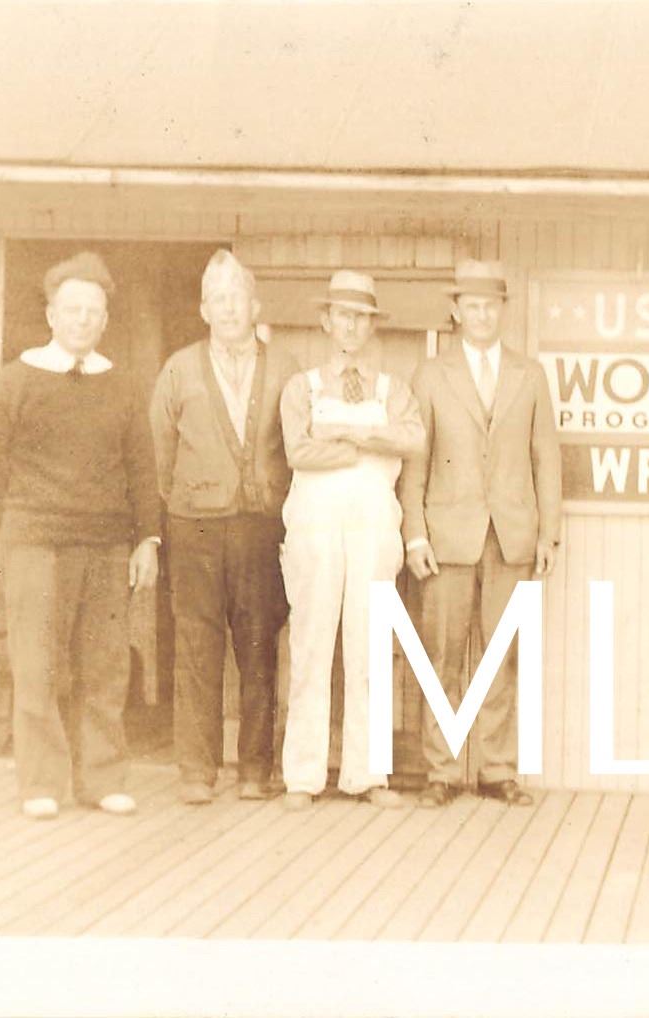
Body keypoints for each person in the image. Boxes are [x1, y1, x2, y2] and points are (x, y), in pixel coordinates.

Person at [0, 251, 160, 819]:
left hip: (107, 547)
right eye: (72, 309)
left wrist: (147, 539)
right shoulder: (15, 382)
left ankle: (103, 778)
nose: (83, 320)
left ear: (105, 319)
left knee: (105, 666)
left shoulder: (121, 385)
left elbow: (142, 470)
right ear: (51, 315)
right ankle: (42, 784)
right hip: (37, 548)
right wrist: (20, 521)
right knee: (38, 665)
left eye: (93, 311)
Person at [399, 259, 562, 808]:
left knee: (501, 655)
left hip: (511, 535)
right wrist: (415, 534)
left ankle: (496, 769)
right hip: (447, 537)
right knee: (441, 656)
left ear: (503, 311)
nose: (482, 315)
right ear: (456, 310)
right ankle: (441, 771)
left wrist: (548, 533)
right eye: (472, 306)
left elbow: (546, 458)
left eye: (491, 306)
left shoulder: (529, 374)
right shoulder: (431, 375)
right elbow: (415, 462)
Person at [149, 250, 297, 804]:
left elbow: (299, 444)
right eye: (217, 299)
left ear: (255, 306)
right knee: (196, 645)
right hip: (196, 529)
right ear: (203, 310)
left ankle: (256, 769)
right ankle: (197, 770)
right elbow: (160, 454)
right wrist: (192, 498)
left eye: (237, 298)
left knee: (258, 646)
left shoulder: (286, 367)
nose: (229, 308)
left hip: (262, 528)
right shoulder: (178, 369)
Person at [276, 270, 424, 810]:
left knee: (370, 642)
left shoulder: (392, 389)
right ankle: (303, 775)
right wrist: (363, 447)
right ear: (326, 321)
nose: (352, 326)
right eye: (343, 315)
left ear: (372, 325)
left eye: (361, 317)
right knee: (311, 641)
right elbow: (298, 451)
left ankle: (368, 774)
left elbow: (413, 439)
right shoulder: (302, 387)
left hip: (373, 522)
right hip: (315, 522)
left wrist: (346, 432)